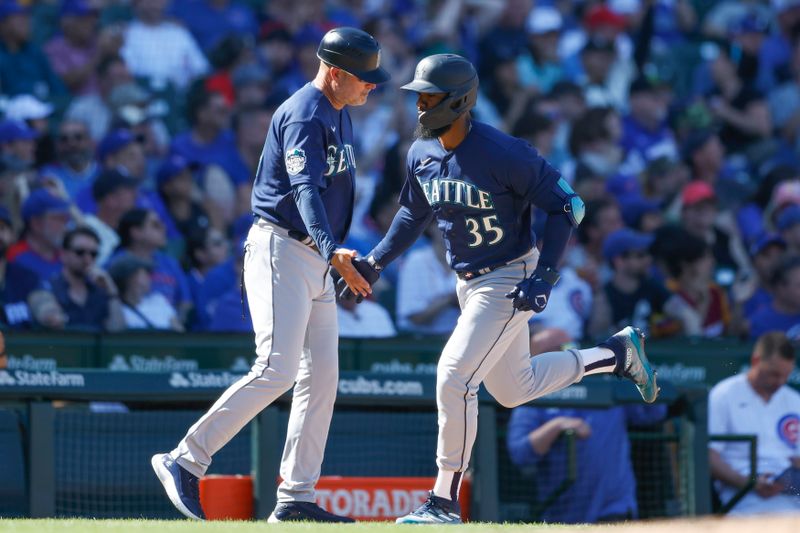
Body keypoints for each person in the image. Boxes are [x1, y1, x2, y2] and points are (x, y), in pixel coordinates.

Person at [336, 54, 659, 524]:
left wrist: (545, 275)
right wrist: (378, 261)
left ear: (460, 100)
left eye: (430, 95)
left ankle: (443, 501)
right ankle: (615, 355)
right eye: (419, 95)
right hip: (467, 280)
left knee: (453, 376)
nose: (421, 104)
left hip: (509, 274)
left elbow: (569, 206)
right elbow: (412, 214)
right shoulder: (421, 152)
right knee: (512, 388)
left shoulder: (504, 151)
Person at [151, 27, 390, 522]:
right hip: (282, 247)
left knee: (322, 377)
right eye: (364, 78)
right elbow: (304, 191)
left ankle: (297, 496)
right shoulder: (305, 112)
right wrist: (333, 250)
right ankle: (185, 459)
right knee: (276, 368)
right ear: (335, 71)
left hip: (316, 257)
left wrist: (333, 254)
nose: (372, 85)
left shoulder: (340, 112)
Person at [507, 398, 667, 523]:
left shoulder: (612, 381)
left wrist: (638, 368)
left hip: (613, 510)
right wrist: (556, 426)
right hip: (561, 514)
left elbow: (655, 411)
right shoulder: (540, 385)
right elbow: (519, 452)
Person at [709, 331, 800, 515]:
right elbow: (709, 458)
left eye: (786, 375)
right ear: (756, 361)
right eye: (774, 374)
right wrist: (749, 482)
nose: (780, 382)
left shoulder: (794, 399)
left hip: (791, 494)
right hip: (743, 499)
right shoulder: (724, 394)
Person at [48, 227, 124, 332]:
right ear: (63, 254)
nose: (87, 259)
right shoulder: (49, 288)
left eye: (93, 254)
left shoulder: (100, 291)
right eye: (80, 252)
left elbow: (117, 331)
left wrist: (112, 291)